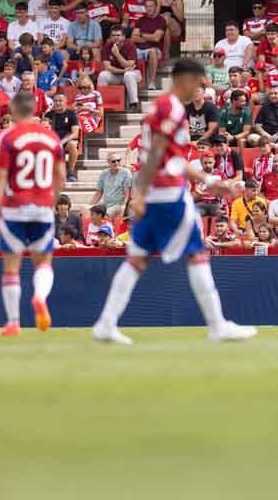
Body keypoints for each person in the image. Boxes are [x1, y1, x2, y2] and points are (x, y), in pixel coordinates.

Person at [92, 60, 258, 345]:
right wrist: (141, 194)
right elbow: (157, 153)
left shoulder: (161, 108)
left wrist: (209, 181)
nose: (201, 88)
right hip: (169, 196)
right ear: (186, 79)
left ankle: (106, 323)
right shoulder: (172, 109)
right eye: (199, 81)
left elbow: (171, 158)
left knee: (136, 260)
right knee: (197, 254)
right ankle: (218, 325)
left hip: (159, 194)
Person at [0, 91, 66, 337]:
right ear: (34, 109)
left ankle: (13, 322)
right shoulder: (52, 138)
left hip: (14, 208)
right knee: (43, 263)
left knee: (11, 267)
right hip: (42, 207)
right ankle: (40, 297)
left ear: (13, 109)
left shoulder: (8, 138)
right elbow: (61, 177)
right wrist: (50, 201)